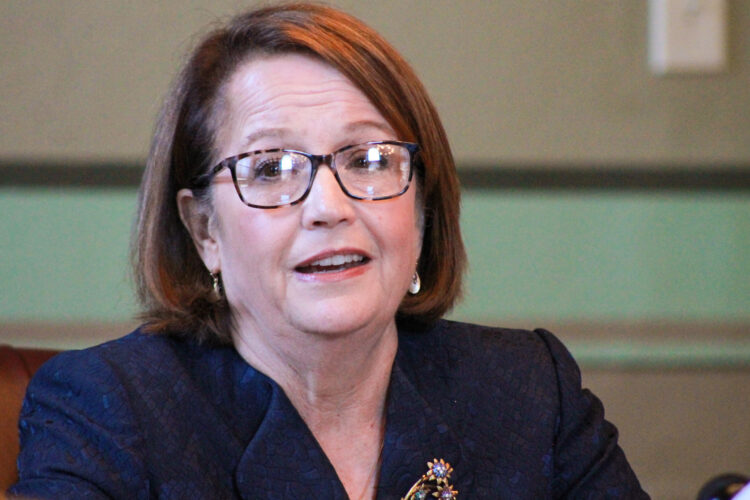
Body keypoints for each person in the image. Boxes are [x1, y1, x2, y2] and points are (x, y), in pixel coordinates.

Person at [9, 3, 648, 499]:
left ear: (421, 207)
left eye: (369, 160)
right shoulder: (109, 409)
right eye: (270, 169)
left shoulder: (528, 391)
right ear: (205, 230)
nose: (329, 206)